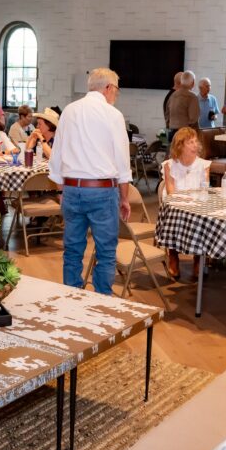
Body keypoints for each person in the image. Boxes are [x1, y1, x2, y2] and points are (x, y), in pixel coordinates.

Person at [48, 67, 132, 295]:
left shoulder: (69, 111)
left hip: (73, 189)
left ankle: (72, 298)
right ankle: (102, 301)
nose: (115, 95)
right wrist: (125, 198)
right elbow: (122, 163)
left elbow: (57, 154)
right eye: (116, 90)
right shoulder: (112, 115)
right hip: (102, 191)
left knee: (72, 249)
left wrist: (61, 191)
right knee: (106, 251)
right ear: (108, 88)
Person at [162, 127, 211, 280]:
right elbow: (170, 191)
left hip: (196, 202)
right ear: (180, 145)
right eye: (190, 142)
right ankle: (173, 255)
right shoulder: (169, 165)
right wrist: (183, 202)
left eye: (196, 141)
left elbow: (205, 188)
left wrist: (194, 202)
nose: (195, 145)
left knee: (202, 216)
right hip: (176, 203)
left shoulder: (204, 165)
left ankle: (198, 257)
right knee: (173, 213)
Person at [166, 71, 199, 143]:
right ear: (193, 82)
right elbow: (193, 119)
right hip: (185, 134)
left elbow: (167, 115)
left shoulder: (173, 95)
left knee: (174, 154)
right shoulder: (192, 97)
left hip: (172, 133)